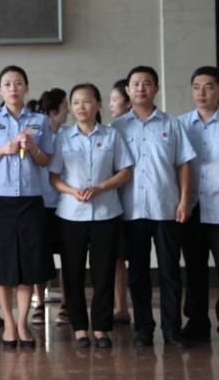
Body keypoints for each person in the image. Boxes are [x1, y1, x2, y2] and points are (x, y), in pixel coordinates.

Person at [110, 65, 195, 348]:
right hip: (131, 209)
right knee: (138, 272)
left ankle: (171, 328)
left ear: (156, 88)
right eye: (135, 84)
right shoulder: (117, 127)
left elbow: (184, 164)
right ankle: (144, 327)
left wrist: (184, 200)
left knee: (170, 271)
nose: (141, 88)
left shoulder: (172, 124)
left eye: (147, 83)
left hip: (166, 207)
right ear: (128, 90)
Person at [0, 65, 56, 349]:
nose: (13, 88)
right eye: (8, 84)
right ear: (0, 90)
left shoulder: (40, 120)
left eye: (18, 83)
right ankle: (8, 324)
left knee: (29, 265)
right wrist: (2, 150)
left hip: (31, 201)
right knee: (3, 265)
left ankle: (23, 323)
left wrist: (33, 149)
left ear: (26, 87)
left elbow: (47, 161)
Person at [49, 83, 133, 348]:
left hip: (106, 212)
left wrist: (101, 188)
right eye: (75, 102)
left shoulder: (111, 135)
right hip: (70, 214)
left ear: (98, 104)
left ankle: (101, 328)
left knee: (104, 271)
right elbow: (54, 177)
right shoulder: (63, 138)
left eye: (86, 101)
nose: (81, 107)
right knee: (72, 272)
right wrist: (72, 191)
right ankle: (79, 328)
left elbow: (125, 171)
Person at [179, 66, 219, 340]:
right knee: (194, 268)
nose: (201, 92)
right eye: (196, 87)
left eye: (208, 86)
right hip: (191, 207)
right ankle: (197, 323)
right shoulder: (180, 124)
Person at [30, 88, 69, 327]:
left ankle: (66, 303)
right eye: (65, 106)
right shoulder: (35, 132)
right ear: (54, 110)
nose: (68, 112)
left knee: (67, 255)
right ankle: (39, 303)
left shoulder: (68, 134)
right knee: (40, 256)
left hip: (64, 204)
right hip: (40, 202)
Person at [108, 79, 133, 325]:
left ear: (128, 102)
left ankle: (123, 306)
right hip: (116, 203)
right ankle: (120, 305)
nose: (110, 105)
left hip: (137, 203)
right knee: (117, 258)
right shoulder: (112, 128)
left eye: (115, 100)